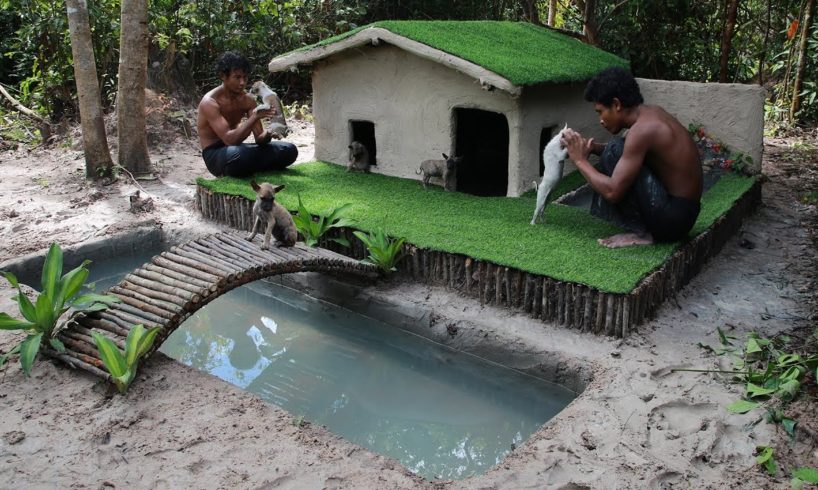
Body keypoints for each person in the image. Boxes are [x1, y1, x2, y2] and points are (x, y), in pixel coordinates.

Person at [561, 67, 703, 248]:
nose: (600, 120)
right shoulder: (651, 113)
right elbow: (629, 151)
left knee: (614, 150)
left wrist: (579, 160)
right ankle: (648, 228)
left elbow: (613, 192)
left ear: (617, 104)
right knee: (615, 149)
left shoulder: (642, 131)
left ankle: (644, 233)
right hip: (684, 214)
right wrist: (594, 149)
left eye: (600, 112)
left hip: (673, 222)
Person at [197, 51, 298, 177]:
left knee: (289, 150)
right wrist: (255, 116)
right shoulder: (210, 103)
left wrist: (269, 133)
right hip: (216, 154)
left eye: (245, 77)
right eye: (237, 77)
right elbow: (230, 140)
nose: (242, 83)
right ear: (223, 76)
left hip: (239, 149)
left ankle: (251, 166)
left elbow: (260, 139)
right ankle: (254, 165)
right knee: (239, 155)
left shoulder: (248, 100)